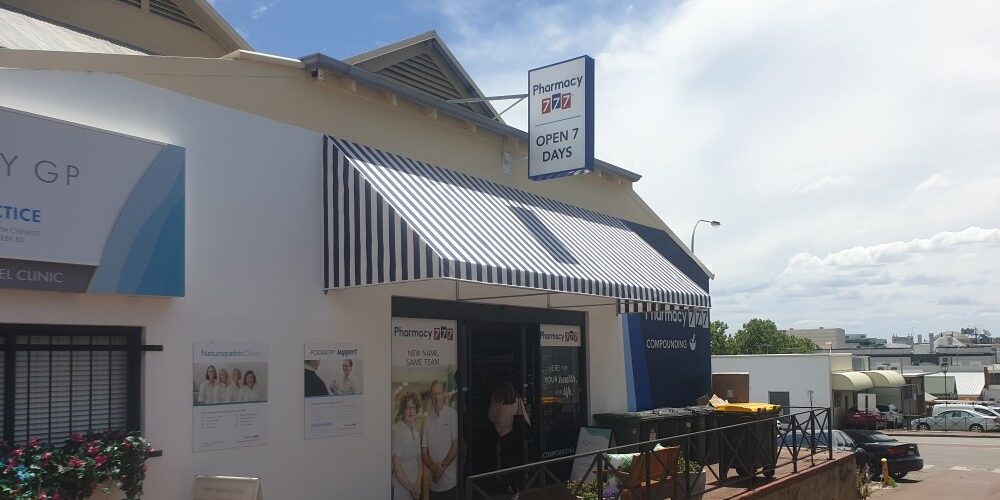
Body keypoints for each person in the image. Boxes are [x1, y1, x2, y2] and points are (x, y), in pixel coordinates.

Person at [488, 381, 530, 491]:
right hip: (517, 436)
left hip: (504, 436)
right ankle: (518, 483)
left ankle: (508, 483)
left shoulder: (498, 402)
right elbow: (526, 418)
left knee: (506, 460)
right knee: (516, 460)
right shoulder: (519, 401)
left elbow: (491, 417)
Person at [421, 380, 458, 499]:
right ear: (431, 397)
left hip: (450, 483)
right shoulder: (428, 421)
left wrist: (440, 468)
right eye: (434, 394)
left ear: (444, 394)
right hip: (434, 485)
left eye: (439, 393)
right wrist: (433, 467)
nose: (436, 397)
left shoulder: (452, 414)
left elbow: (455, 445)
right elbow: (424, 452)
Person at [392, 391, 423, 500]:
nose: (410, 411)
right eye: (407, 407)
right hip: (402, 490)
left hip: (416, 490)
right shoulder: (397, 431)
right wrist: (412, 488)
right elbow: (397, 469)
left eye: (413, 407)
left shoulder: (416, 431)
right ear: (402, 410)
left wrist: (418, 485)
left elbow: (419, 463)